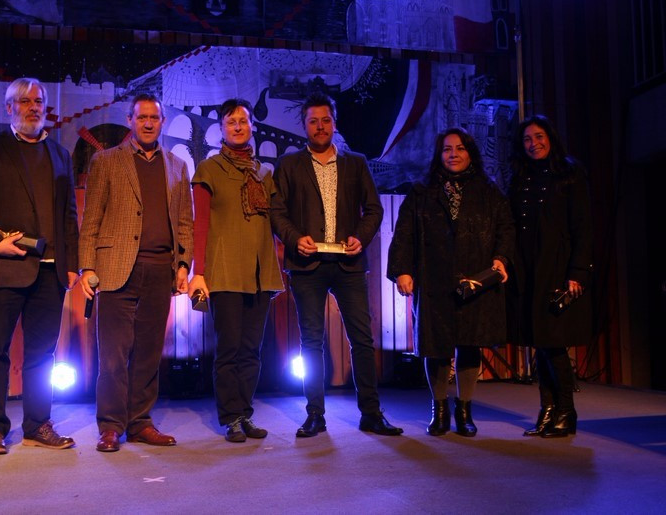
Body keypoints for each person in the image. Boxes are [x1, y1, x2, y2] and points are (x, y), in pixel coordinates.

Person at [0, 77, 78, 455]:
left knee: (42, 355)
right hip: (4, 267)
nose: (33, 107)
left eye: (38, 101)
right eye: (24, 101)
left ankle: (37, 425)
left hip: (51, 271)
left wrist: (72, 265)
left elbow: (69, 216)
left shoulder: (61, 154)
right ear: (9, 108)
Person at [271, 92, 403, 438]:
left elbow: (373, 209)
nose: (320, 127)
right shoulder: (288, 165)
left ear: (334, 122)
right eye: (313, 121)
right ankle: (315, 415)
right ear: (304, 126)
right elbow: (277, 212)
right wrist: (294, 238)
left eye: (325, 120)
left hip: (349, 265)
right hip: (307, 265)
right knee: (311, 342)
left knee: (362, 338)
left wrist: (361, 236)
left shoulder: (355, 163)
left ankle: (371, 413)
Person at [78, 94, 193, 452]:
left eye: (154, 118)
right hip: (115, 269)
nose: (147, 123)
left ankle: (140, 422)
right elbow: (91, 218)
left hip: (160, 271)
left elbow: (185, 222)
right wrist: (87, 266)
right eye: (141, 117)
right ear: (130, 120)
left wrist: (183, 265)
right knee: (113, 355)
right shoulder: (106, 160)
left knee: (148, 354)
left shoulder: (177, 166)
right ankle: (111, 426)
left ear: (162, 122)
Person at [387, 128, 515, 437]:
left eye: (460, 148)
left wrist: (502, 258)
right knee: (437, 346)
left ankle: (465, 410)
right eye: (447, 149)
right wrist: (402, 270)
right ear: (439, 154)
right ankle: (440, 409)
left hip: (475, 279)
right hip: (434, 279)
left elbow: (506, 227)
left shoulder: (489, 191)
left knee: (469, 342)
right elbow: (404, 233)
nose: (453, 154)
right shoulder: (422, 192)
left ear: (470, 153)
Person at [187, 98, 284, 443]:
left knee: (251, 350)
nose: (238, 127)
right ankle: (230, 417)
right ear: (222, 129)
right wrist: (198, 272)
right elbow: (200, 224)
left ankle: (245, 412)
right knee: (228, 349)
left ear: (252, 126)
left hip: (259, 273)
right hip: (225, 271)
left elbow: (276, 221)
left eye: (243, 121)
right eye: (231, 122)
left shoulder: (264, 173)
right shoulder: (209, 169)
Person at [508, 115, 592, 438]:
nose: (534, 144)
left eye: (539, 136)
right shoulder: (520, 177)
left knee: (552, 342)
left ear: (551, 138)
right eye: (527, 139)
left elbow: (583, 226)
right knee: (538, 342)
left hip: (556, 268)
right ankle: (547, 410)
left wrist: (577, 272)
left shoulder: (570, 173)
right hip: (527, 268)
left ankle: (566, 411)